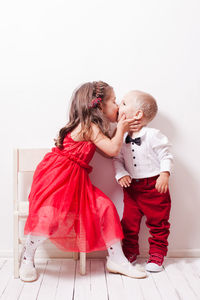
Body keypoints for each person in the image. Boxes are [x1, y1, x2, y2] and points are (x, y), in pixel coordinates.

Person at [19, 81, 147, 282]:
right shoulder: (89, 127)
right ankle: (27, 256)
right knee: (50, 217)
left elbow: (107, 152)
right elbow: (113, 150)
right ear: (99, 106)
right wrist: (121, 128)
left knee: (105, 208)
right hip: (58, 178)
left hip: (76, 180)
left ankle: (117, 260)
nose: (117, 105)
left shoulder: (94, 129)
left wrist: (119, 130)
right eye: (114, 101)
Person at [113, 90, 173, 272]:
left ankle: (157, 254)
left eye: (123, 104)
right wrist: (121, 173)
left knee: (158, 223)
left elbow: (166, 154)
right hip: (132, 188)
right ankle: (130, 252)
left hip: (155, 187)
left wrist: (165, 174)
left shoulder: (152, 135)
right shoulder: (120, 137)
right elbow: (117, 159)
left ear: (137, 114)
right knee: (129, 223)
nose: (118, 107)